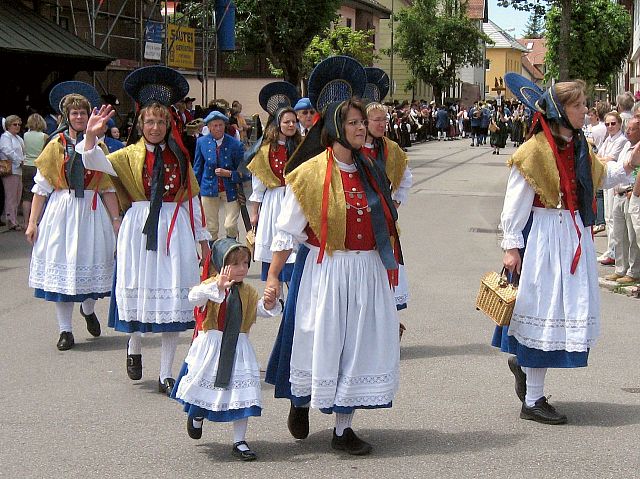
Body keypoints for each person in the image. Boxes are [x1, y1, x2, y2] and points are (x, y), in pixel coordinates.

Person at [495, 75, 640, 425]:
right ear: (561, 110)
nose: (585, 110)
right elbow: (515, 202)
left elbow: (600, 177)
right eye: (577, 105)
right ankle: (532, 399)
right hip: (545, 238)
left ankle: (527, 374)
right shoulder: (534, 150)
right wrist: (512, 246)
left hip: (572, 237)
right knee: (542, 313)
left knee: (558, 315)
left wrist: (629, 163)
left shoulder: (578, 145)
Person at [265, 96, 402, 455]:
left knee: (357, 346)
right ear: (338, 128)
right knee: (319, 341)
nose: (361, 128)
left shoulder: (372, 168)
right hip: (327, 269)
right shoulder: (310, 174)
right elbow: (287, 232)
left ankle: (343, 428)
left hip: (367, 269)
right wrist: (274, 277)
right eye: (354, 123)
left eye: (362, 122)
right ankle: (300, 400)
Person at [78, 66, 211, 395]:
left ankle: (167, 372)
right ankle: (134, 345)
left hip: (175, 230)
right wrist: (92, 136)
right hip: (139, 227)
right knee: (140, 288)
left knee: (175, 295)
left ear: (169, 125)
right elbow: (92, 161)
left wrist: (203, 242)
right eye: (149, 122)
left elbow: (192, 201)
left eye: (161, 121)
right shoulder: (126, 156)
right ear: (140, 124)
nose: (155, 127)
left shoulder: (180, 158)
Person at [26, 84, 119, 351]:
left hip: (90, 211)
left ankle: (88, 309)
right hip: (62, 210)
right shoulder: (56, 145)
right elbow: (41, 188)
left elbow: (108, 187)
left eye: (83, 113)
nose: (79, 117)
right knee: (62, 266)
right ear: (67, 116)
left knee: (91, 261)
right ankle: (65, 330)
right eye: (75, 113)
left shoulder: (98, 147)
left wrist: (116, 221)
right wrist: (33, 222)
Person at [172, 238, 282, 461]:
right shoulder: (210, 286)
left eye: (245, 263)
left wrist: (270, 303)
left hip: (238, 348)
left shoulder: (248, 292)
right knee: (204, 387)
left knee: (242, 393)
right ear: (222, 264)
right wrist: (217, 286)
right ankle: (197, 415)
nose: (242, 269)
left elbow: (258, 310)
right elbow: (194, 297)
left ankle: (239, 440)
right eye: (235, 264)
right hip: (211, 348)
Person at [362, 101, 412, 317]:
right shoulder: (353, 148)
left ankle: (387, 322)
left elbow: (406, 176)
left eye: (384, 119)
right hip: (360, 217)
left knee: (385, 270)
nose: (382, 124)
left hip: (384, 220)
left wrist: (395, 203)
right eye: (377, 120)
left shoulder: (391, 148)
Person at [247, 106, 301, 284]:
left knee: (295, 246)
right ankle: (277, 292)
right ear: (278, 124)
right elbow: (258, 185)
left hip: (295, 199)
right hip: (274, 201)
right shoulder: (266, 150)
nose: (291, 125)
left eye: (294, 121)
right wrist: (254, 214)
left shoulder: (301, 147)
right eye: (287, 122)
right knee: (276, 243)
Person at [193, 110, 246, 241]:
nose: (218, 128)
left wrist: (229, 174)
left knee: (230, 225)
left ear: (225, 126)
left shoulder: (235, 144)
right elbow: (197, 168)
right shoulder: (201, 142)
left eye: (220, 125)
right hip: (208, 189)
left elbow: (245, 172)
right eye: (214, 125)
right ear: (209, 127)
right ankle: (212, 257)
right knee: (211, 228)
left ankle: (231, 250)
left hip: (231, 190)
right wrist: (194, 191)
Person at [603, 114, 640, 285]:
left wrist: (634, 190)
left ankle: (633, 271)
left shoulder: (637, 149)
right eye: (628, 128)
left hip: (630, 193)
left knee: (631, 236)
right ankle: (620, 268)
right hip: (618, 193)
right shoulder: (626, 146)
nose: (628, 132)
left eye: (632, 129)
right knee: (618, 234)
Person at [597, 111, 628, 266]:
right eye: (607, 124)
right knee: (608, 216)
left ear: (620, 124)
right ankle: (611, 250)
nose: (610, 127)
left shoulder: (621, 140)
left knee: (612, 218)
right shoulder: (608, 139)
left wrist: (599, 160)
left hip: (614, 177)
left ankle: (614, 251)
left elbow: (609, 158)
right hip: (605, 176)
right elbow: (599, 156)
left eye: (613, 123)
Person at [21, 114, 48, 230]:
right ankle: (37, 221)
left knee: (27, 195)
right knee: (40, 193)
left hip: (26, 165)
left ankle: (26, 222)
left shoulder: (25, 135)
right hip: (39, 165)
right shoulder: (45, 137)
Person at [0, 115, 24, 230]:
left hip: (19, 170)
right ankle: (11, 220)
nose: (17, 126)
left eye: (19, 124)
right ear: (8, 125)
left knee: (17, 196)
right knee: (11, 196)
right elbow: (6, 150)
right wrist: (19, 160)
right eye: (15, 124)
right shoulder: (6, 137)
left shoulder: (18, 138)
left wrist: (22, 160)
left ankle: (13, 219)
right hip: (11, 169)